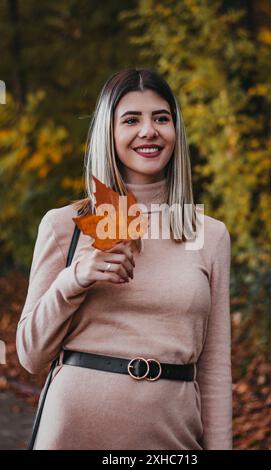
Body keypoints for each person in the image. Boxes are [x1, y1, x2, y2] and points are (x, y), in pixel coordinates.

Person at [16, 68, 232, 450]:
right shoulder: (66, 225)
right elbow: (31, 355)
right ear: (109, 132)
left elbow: (214, 369)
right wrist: (74, 279)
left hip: (171, 440)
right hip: (73, 432)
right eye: (131, 119)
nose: (148, 131)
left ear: (175, 131)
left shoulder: (209, 234)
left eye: (161, 118)